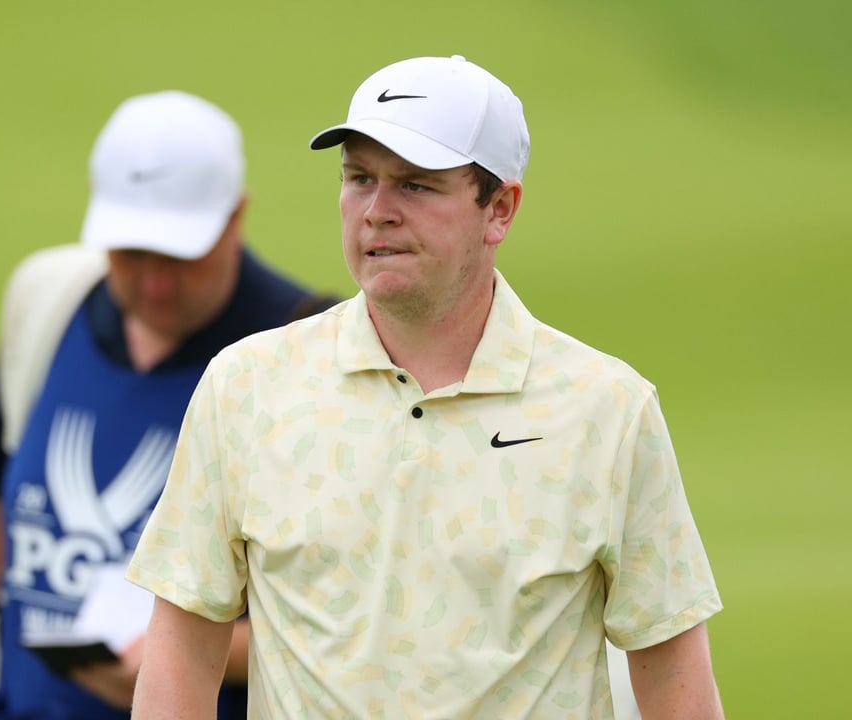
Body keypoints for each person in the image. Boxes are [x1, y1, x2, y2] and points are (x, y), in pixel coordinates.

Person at [127, 55, 724, 719]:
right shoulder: (245, 387)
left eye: (415, 186)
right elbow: (181, 649)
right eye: (360, 179)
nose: (377, 212)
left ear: (499, 208)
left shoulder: (607, 410)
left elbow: (675, 681)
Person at [0, 90, 314, 719]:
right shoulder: (47, 303)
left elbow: (350, 627)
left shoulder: (304, 357)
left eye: (180, 256)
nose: (155, 283)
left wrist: (177, 649)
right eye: (132, 254)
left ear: (236, 218)